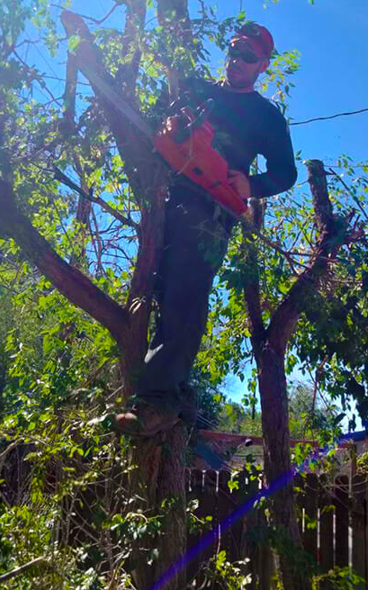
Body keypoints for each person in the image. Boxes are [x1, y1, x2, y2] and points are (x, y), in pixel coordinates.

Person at [115, 23, 298, 437]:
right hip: (168, 200)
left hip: (211, 209)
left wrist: (251, 185)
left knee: (186, 289)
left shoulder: (266, 116)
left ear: (263, 65)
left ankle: (158, 399)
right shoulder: (196, 88)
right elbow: (158, 120)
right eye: (233, 51)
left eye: (248, 56)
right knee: (160, 291)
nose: (237, 61)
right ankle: (178, 392)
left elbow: (286, 173)